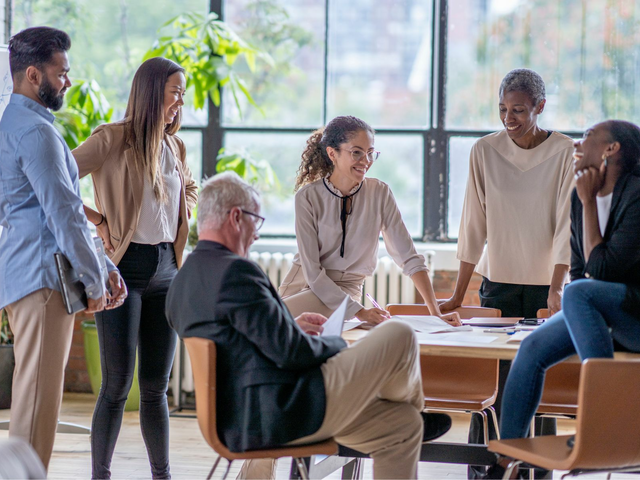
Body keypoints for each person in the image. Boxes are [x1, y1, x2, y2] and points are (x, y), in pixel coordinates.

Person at [165, 172, 453, 480]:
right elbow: (293, 354)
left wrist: (288, 324)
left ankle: (413, 416)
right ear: (236, 217)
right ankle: (409, 405)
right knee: (400, 334)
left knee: (402, 425)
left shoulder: (183, 279)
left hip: (237, 419)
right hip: (285, 413)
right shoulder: (238, 273)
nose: (257, 234)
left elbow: (240, 342)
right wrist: (338, 342)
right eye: (256, 221)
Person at [0, 27, 126, 470]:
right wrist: (95, 280)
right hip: (44, 283)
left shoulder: (12, 125)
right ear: (34, 75)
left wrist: (103, 264)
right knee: (36, 413)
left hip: (28, 276)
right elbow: (65, 215)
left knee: (35, 406)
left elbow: (42, 212)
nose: (68, 81)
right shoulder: (36, 133)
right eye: (62, 73)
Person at [438, 69, 575, 472]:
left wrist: (556, 289)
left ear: (540, 107)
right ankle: (488, 469)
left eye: (518, 109)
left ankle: (538, 468)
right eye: (502, 109)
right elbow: (472, 225)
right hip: (497, 286)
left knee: (538, 385)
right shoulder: (484, 151)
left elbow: (567, 223)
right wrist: (459, 293)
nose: (508, 117)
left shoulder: (565, 151)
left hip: (544, 289)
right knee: (497, 387)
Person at [488, 120, 640, 477]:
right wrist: (584, 200)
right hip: (599, 311)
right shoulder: (577, 196)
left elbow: (600, 273)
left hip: (633, 316)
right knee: (532, 349)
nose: (576, 143)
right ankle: (506, 460)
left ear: (610, 149)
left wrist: (589, 202)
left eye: (587, 137)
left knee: (578, 291)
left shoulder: (636, 195)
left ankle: (600, 427)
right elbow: (579, 266)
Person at [72, 57, 198, 479]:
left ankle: (161, 475)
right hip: (124, 272)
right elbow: (58, 176)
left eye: (183, 93)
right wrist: (100, 222)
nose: (181, 101)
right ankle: (100, 475)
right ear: (151, 92)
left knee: (155, 390)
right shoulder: (113, 138)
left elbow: (187, 189)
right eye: (175, 91)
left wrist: (185, 210)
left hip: (168, 271)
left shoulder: (174, 145)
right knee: (115, 387)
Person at [279, 115, 460, 326]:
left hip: (346, 293)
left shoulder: (380, 193)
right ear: (332, 153)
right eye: (357, 152)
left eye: (370, 153)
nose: (365, 161)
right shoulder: (307, 197)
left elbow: (409, 257)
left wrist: (435, 312)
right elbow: (313, 273)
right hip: (303, 286)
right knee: (266, 327)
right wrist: (360, 312)